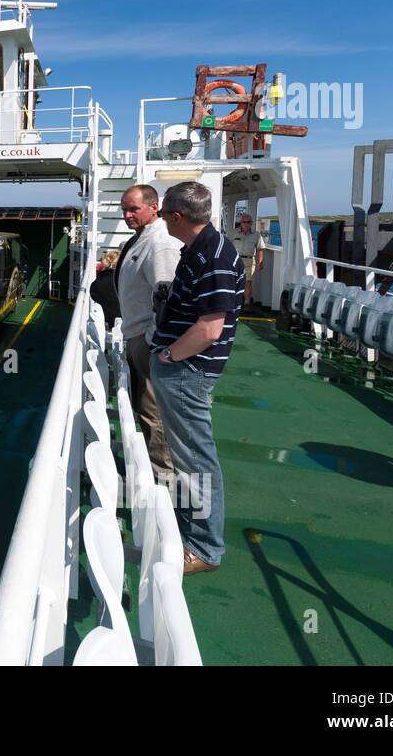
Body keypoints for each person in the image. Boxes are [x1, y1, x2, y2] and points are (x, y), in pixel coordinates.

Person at [149, 181, 245, 576]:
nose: (161, 222)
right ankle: (191, 528)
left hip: (188, 372)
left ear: (176, 217)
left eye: (163, 215)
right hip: (182, 370)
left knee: (196, 461)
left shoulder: (215, 255)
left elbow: (210, 328)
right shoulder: (200, 248)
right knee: (188, 458)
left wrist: (170, 356)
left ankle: (204, 549)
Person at [113, 185, 182, 483]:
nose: (127, 215)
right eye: (124, 209)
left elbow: (168, 299)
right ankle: (159, 470)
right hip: (139, 336)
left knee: (155, 412)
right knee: (146, 408)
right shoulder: (143, 237)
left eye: (134, 209)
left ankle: (165, 478)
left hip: (147, 340)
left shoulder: (160, 243)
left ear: (154, 207)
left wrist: (150, 341)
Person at [233, 213, 266, 309]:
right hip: (236, 260)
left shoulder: (256, 235)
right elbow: (227, 246)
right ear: (241, 223)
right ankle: (234, 302)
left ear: (251, 223)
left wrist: (260, 262)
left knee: (248, 282)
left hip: (249, 261)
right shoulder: (233, 233)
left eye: (248, 222)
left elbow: (260, 249)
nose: (246, 224)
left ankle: (247, 303)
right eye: (244, 222)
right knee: (234, 281)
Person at [89, 249, 121, 329]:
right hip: (126, 321)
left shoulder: (98, 282)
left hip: (106, 320)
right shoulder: (123, 280)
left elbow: (93, 294)